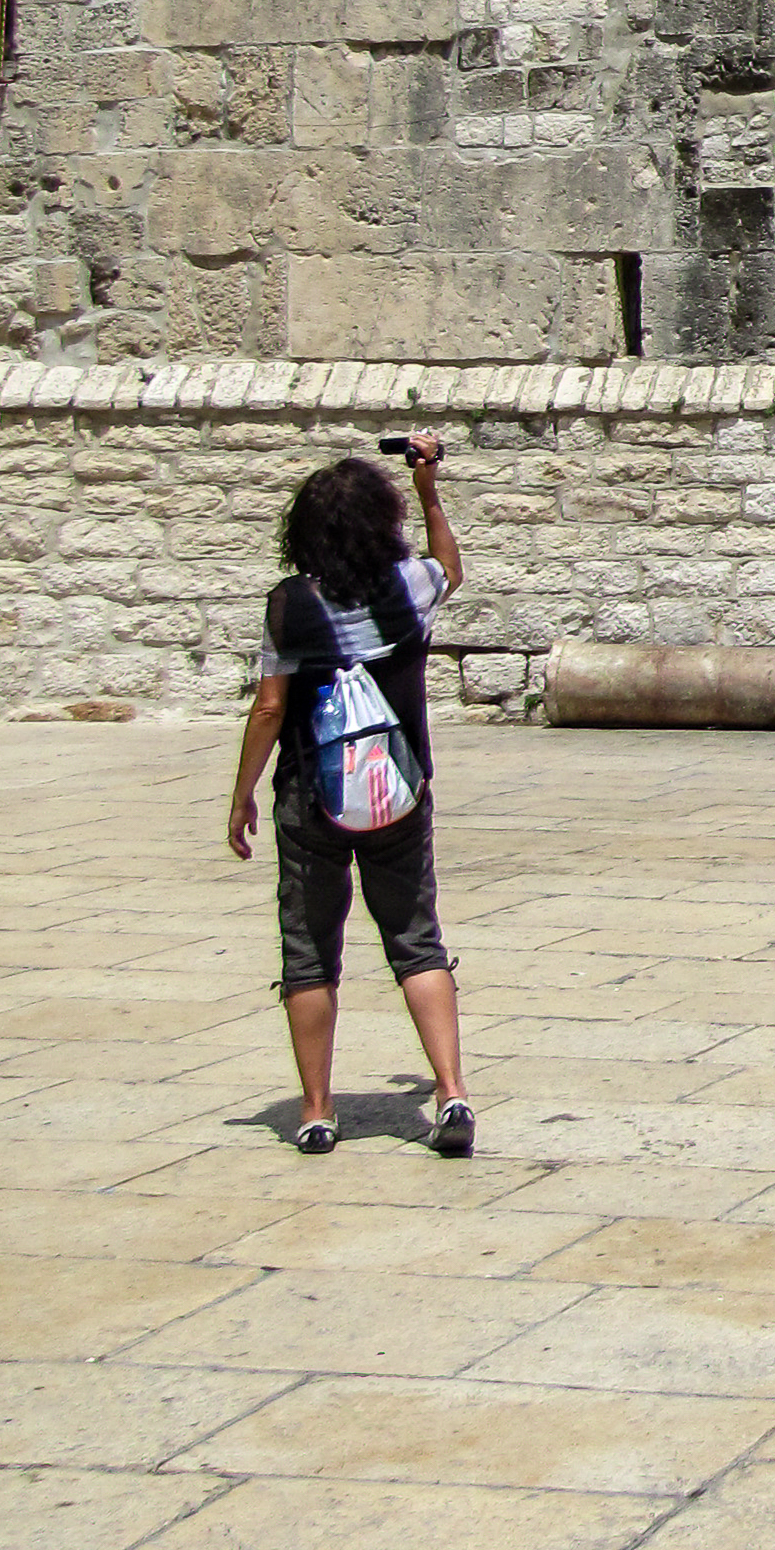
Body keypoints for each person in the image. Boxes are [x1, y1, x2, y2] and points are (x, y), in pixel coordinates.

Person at [226, 434, 473, 1155]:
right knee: (416, 941)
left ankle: (316, 1109)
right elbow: (451, 567)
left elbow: (270, 708)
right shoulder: (411, 589)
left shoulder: (289, 606)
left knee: (309, 952)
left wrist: (242, 795)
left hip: (312, 796)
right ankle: (452, 1093)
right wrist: (430, 490)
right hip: (397, 789)